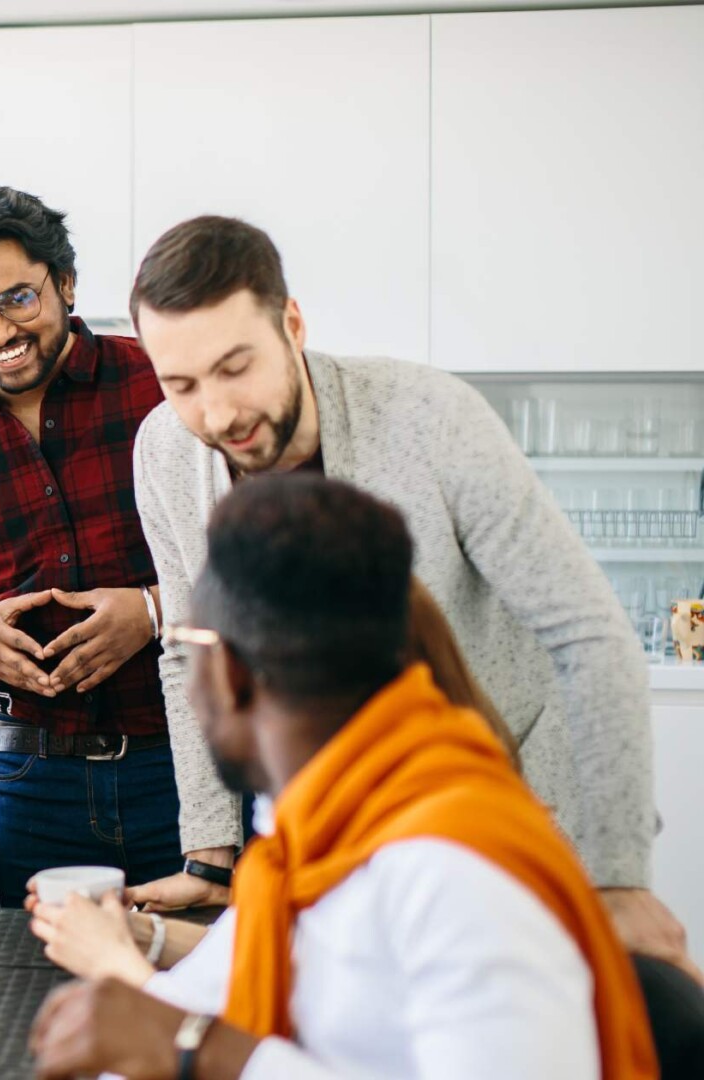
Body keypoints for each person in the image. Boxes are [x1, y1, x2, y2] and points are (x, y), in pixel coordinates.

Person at [124, 214, 692, 977]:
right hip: (324, 818)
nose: (217, 413)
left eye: (236, 367)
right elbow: (187, 646)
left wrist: (616, 875)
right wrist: (213, 852)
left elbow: (586, 632)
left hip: (503, 795)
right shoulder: (163, 450)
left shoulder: (430, 417)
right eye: (182, 383)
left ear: (291, 325)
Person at [29, 474, 656, 1080]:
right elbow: (215, 991)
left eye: (188, 644)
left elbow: (197, 1033)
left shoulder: (455, 872)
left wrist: (201, 1049)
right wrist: (140, 946)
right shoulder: (312, 834)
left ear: (232, 676)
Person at [0, 185, 192, 905]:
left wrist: (151, 611)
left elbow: (264, 567)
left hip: (188, 759)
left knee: (199, 980)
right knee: (36, 996)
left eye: (19, 298)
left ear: (66, 284)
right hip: (33, 782)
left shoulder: (166, 391)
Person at [27, 578, 517, 982]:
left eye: (204, 653)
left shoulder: (442, 864)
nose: (196, 691)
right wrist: (142, 938)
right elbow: (293, 961)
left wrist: (122, 971)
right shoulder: (318, 821)